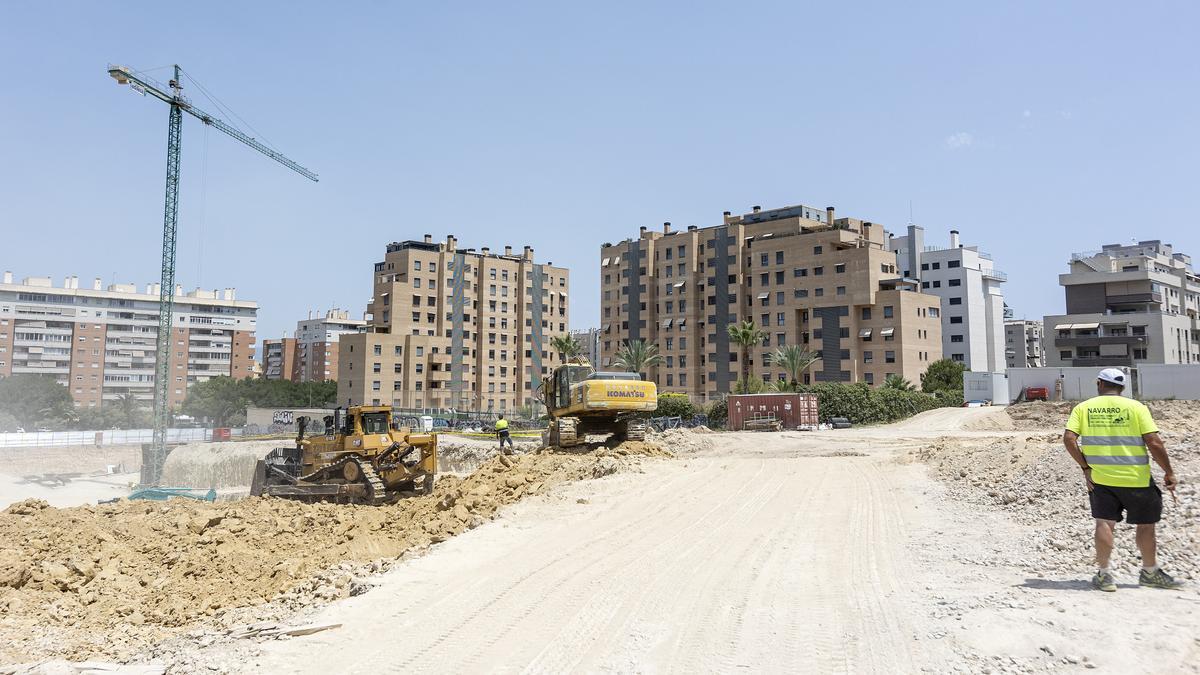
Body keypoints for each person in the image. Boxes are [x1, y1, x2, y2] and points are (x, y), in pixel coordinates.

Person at [1062, 368, 1181, 592]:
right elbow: (1154, 443)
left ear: (1099, 383)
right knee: (1146, 525)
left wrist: (1085, 467)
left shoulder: (1083, 408)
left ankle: (1105, 575)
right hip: (1137, 479)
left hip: (1101, 480)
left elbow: (1069, 439)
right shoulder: (1137, 407)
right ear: (1123, 387)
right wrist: (1169, 472)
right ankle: (1150, 572)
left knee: (1104, 523)